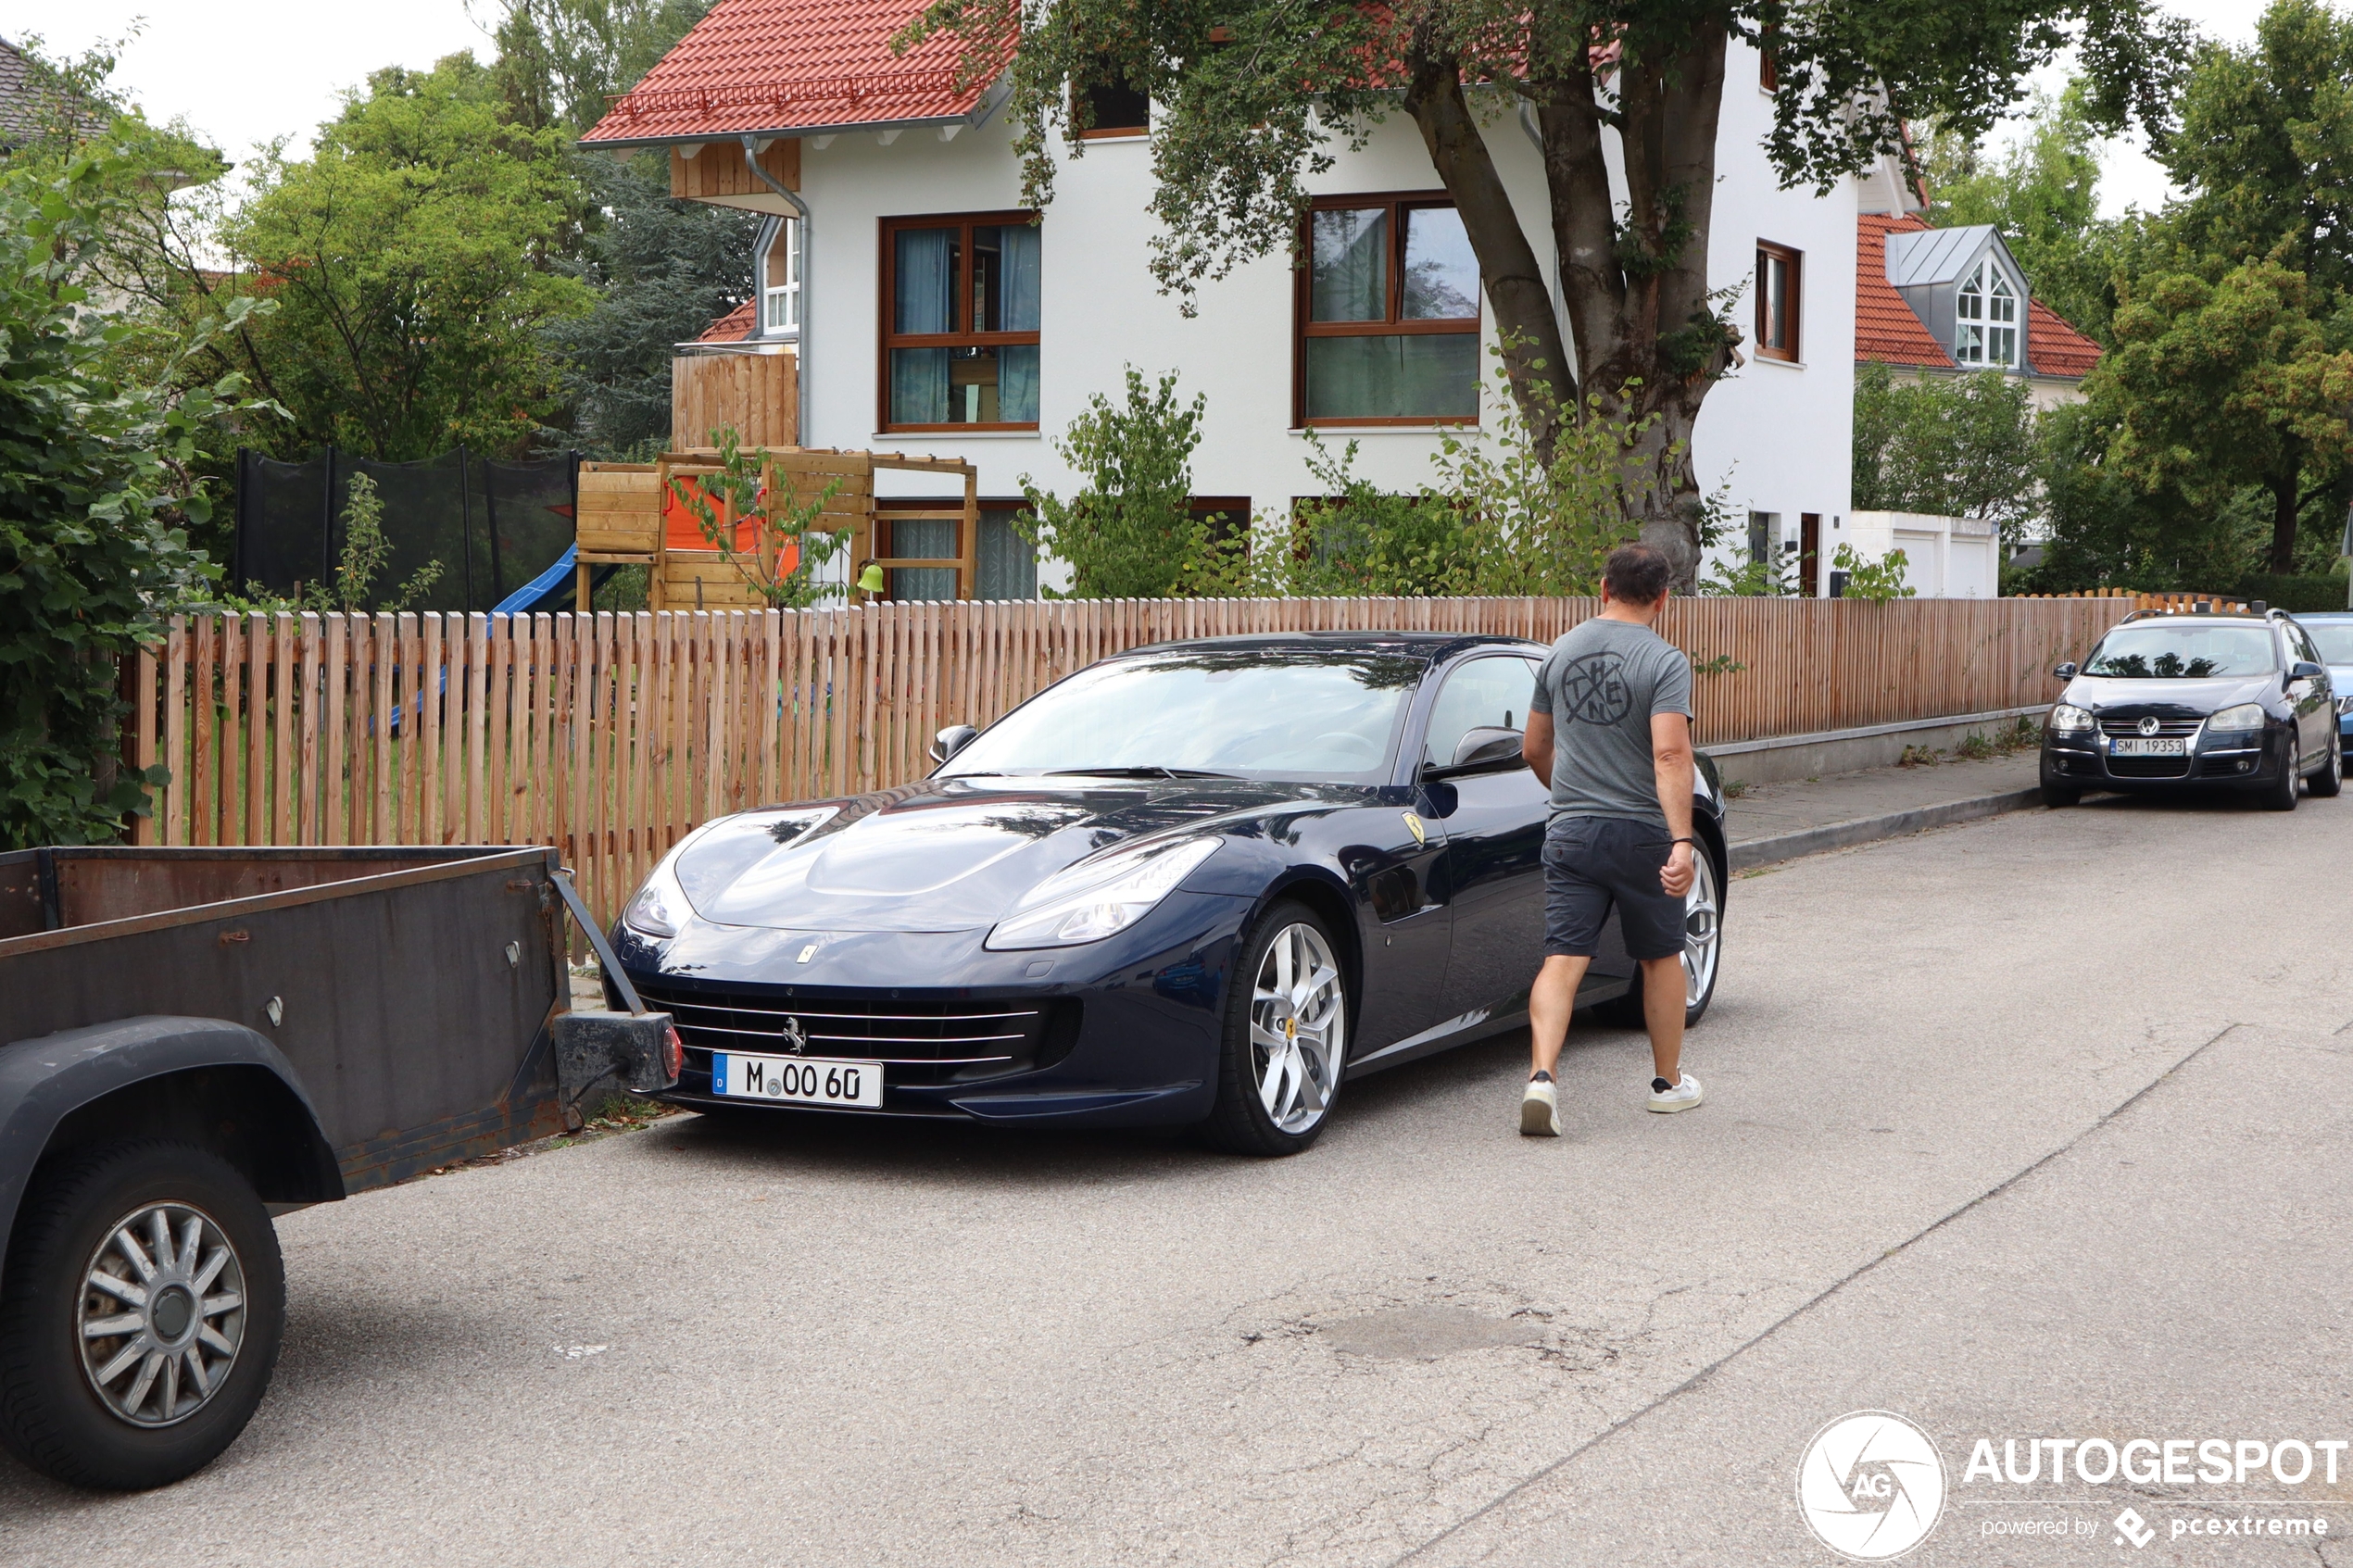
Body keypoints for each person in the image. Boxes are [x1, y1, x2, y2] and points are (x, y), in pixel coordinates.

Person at [1517, 542, 1703, 1136]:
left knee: (1563, 957)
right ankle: (1668, 1084)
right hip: (1643, 835)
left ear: (1603, 588)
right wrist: (1682, 841)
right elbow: (1671, 753)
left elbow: (1533, 749)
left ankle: (1542, 1077)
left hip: (1571, 831)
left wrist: (1568, 800)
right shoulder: (1665, 661)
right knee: (1659, 955)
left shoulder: (1559, 653)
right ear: (1663, 598)